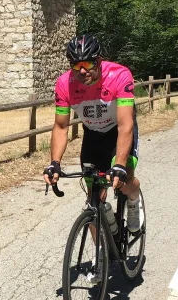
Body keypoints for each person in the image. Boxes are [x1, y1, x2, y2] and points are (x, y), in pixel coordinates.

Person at [43, 34, 143, 269]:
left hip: (118, 131)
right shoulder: (64, 84)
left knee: (123, 179)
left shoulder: (119, 75)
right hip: (93, 136)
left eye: (88, 63)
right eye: (76, 65)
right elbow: (60, 126)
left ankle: (133, 197)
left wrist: (118, 164)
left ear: (98, 61)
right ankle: (101, 254)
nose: (82, 70)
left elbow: (125, 125)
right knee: (93, 199)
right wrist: (54, 163)